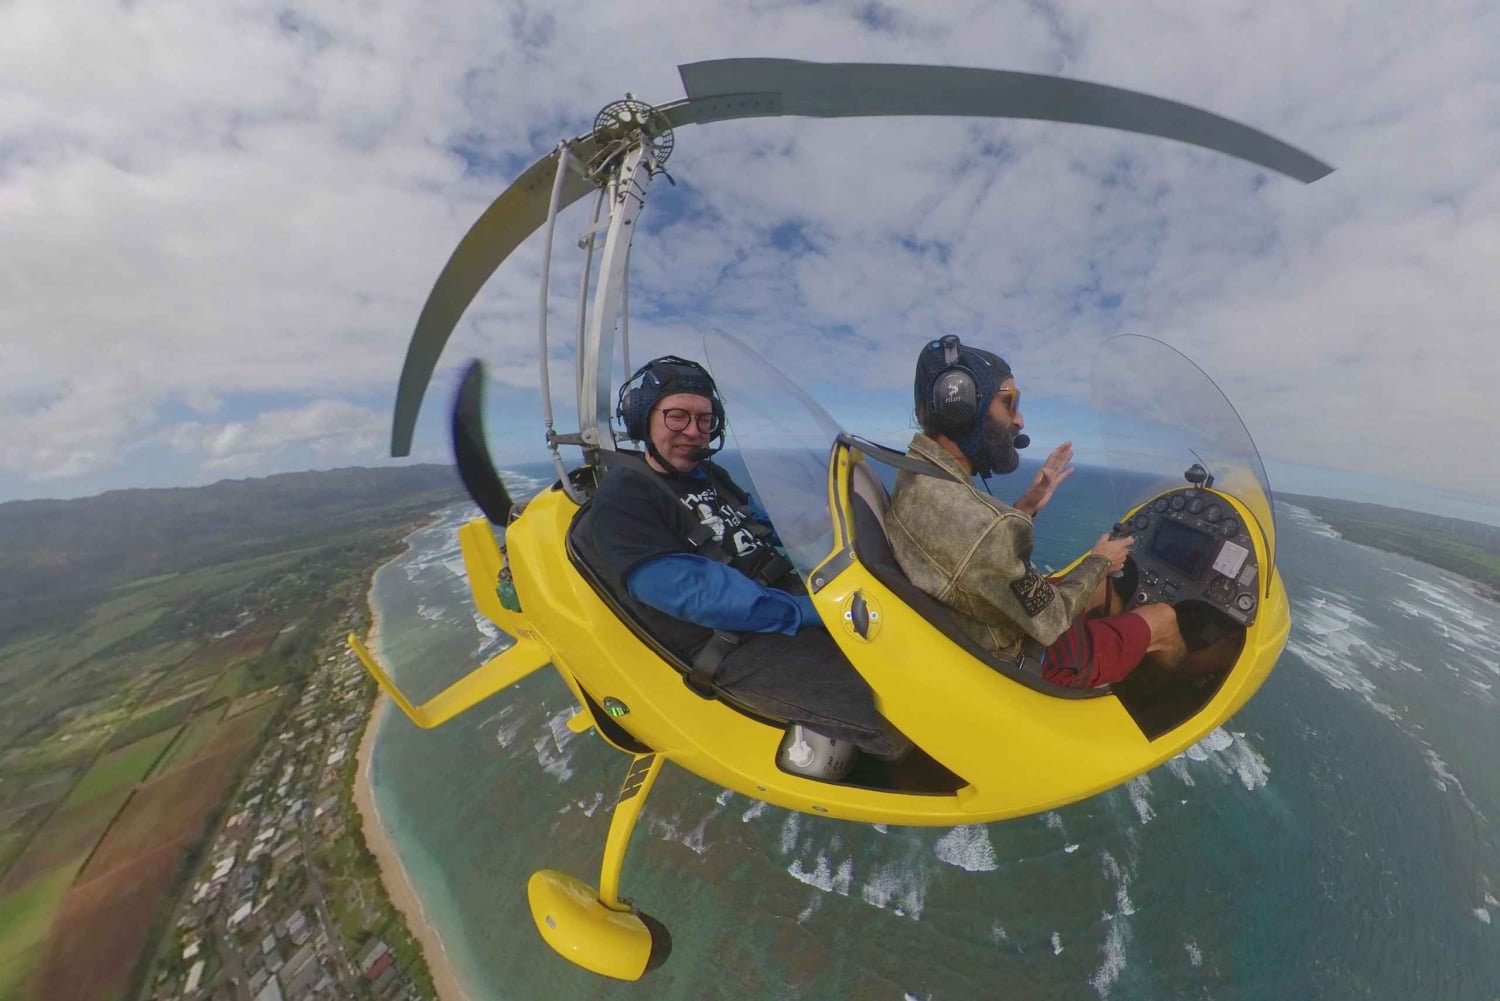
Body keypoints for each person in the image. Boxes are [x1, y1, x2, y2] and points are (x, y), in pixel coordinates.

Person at [572, 355, 908, 763]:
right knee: (897, 714)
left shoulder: (709, 475)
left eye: (704, 420)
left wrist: (831, 518)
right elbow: (694, 593)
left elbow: (762, 526)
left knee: (907, 647)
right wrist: (811, 611)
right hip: (734, 642)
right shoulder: (624, 497)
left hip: (782, 599)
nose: (693, 432)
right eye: (677, 417)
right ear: (646, 420)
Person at [887, 335, 1186, 689]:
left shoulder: (915, 476)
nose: (1020, 421)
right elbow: (1052, 619)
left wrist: (1027, 505)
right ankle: (1181, 671)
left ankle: (1120, 652)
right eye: (1009, 403)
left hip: (976, 627)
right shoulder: (986, 529)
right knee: (1164, 618)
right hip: (1018, 661)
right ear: (961, 409)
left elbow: (973, 552)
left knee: (1104, 587)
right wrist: (1101, 559)